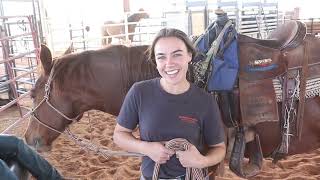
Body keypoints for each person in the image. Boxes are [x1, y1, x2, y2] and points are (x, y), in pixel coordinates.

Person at [113, 28, 226, 180]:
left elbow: (219, 148)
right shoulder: (139, 92)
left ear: (189, 56)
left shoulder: (205, 101)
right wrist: (145, 148)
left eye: (177, 54)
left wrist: (202, 161)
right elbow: (119, 135)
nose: (169, 64)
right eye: (161, 57)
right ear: (156, 61)